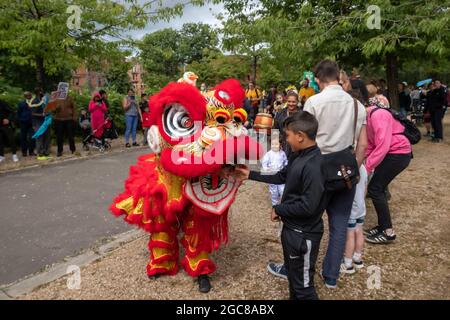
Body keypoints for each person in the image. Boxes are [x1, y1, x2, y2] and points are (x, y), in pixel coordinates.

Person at [231, 111, 326, 300]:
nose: (286, 140)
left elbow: (308, 206)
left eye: (288, 135)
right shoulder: (298, 156)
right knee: (293, 278)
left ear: (300, 136)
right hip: (292, 230)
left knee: (304, 288)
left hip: (303, 235)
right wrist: (250, 175)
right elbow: (282, 175)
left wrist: (279, 209)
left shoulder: (314, 165)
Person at [303, 60, 367, 289]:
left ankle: (304, 271)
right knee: (340, 225)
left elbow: (303, 140)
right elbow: (363, 146)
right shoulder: (357, 105)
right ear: (338, 77)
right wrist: (353, 167)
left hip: (317, 167)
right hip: (346, 169)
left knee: (308, 222)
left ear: (318, 79)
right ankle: (331, 275)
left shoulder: (313, 101)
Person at [364, 96, 412, 244]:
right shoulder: (367, 117)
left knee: (375, 189)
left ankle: (388, 232)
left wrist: (367, 167)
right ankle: (382, 226)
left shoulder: (378, 114)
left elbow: (383, 145)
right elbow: (371, 144)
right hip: (392, 153)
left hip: (398, 153)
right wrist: (359, 162)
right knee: (378, 188)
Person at [261, 138, 288, 208]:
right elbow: (264, 163)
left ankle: (283, 203)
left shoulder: (282, 153)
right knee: (274, 192)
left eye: (276, 144)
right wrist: (266, 170)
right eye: (272, 144)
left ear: (280, 145)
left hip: (280, 174)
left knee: (282, 190)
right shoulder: (269, 154)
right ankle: (275, 205)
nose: (274, 146)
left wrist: (285, 168)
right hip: (272, 174)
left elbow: (285, 161)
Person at [274, 92, 300, 157]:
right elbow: (275, 129)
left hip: (298, 146)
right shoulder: (280, 114)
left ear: (297, 102)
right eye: (289, 101)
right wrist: (276, 143)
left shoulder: (302, 114)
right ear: (286, 101)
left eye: (293, 102)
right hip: (283, 145)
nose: (291, 104)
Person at [30, 87, 51, 160]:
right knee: (39, 138)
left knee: (46, 137)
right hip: (38, 122)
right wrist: (42, 114)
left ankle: (46, 152)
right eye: (41, 91)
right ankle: (40, 154)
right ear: (39, 92)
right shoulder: (34, 101)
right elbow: (32, 113)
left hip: (46, 121)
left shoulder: (44, 100)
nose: (43, 92)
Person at [17, 91, 36, 157]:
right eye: (27, 96)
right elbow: (18, 113)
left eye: (29, 95)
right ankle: (24, 152)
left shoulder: (33, 103)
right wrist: (20, 120)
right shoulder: (21, 103)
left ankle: (31, 151)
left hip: (32, 122)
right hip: (23, 122)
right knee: (23, 137)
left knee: (32, 137)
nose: (29, 96)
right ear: (25, 97)